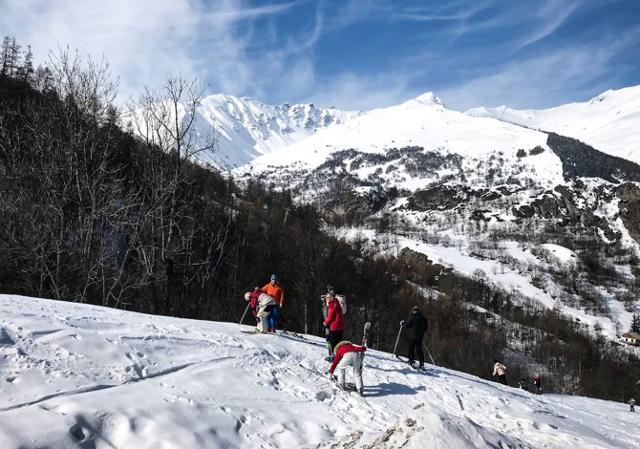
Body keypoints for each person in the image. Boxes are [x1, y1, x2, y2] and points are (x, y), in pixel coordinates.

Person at [324, 290, 345, 358]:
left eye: (328, 297)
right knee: (338, 342)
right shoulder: (337, 303)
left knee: (333, 342)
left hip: (335, 326)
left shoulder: (332, 304)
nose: (327, 299)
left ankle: (333, 356)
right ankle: (339, 355)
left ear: (332, 297)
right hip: (340, 326)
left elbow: (330, 317)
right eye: (326, 297)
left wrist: (325, 323)